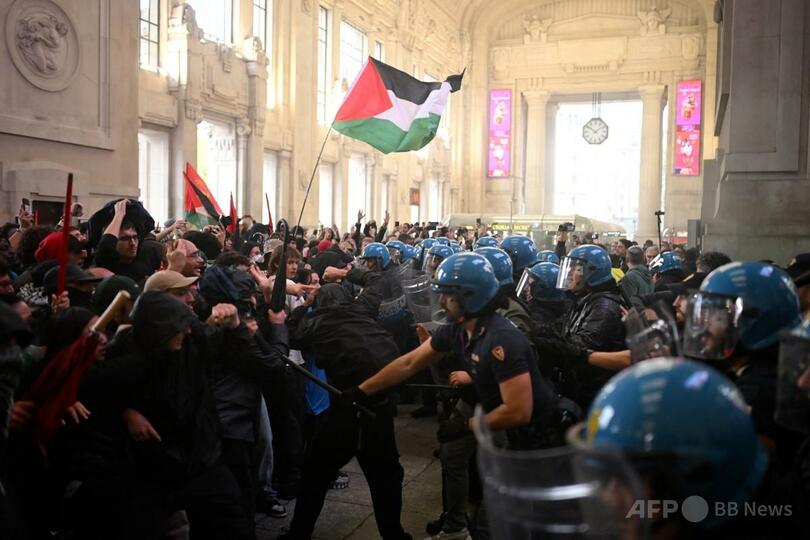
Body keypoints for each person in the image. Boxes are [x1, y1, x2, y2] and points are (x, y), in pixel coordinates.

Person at [352, 252, 559, 537]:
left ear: (469, 297)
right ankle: (455, 527)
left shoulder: (502, 339)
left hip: (525, 431)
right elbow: (409, 363)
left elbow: (518, 410)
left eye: (447, 296)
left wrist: (467, 425)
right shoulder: (459, 328)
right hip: (484, 402)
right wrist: (362, 390)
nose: (440, 301)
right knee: (452, 455)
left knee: (498, 500)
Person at [280, 267, 410, 540]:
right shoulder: (362, 308)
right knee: (386, 477)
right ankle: (394, 535)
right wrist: (347, 272)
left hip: (348, 410)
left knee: (315, 474)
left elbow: (291, 334)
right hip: (381, 403)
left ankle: (298, 535)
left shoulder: (315, 324)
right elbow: (376, 278)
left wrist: (304, 306)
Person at [557, 244, 627, 408]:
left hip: (594, 394)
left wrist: (551, 340)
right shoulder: (585, 298)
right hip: (583, 389)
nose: (569, 273)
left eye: (576, 269)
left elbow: (584, 344)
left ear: (593, 272)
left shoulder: (604, 305)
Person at [94, 200, 154, 283]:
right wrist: (119, 215)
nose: (133, 243)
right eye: (125, 239)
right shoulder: (108, 267)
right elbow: (105, 247)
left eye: (135, 237)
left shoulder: (144, 268)